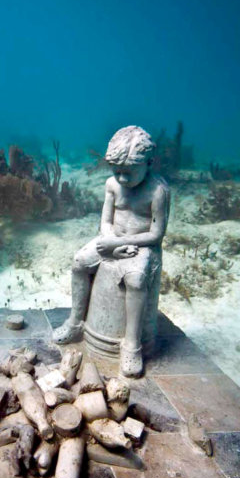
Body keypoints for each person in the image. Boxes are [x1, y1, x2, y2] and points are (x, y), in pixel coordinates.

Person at [53, 125, 169, 377]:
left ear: (149, 163)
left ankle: (131, 345)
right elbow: (105, 221)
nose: (123, 179)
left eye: (129, 173)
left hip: (142, 245)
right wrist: (109, 242)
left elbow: (156, 234)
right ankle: (75, 322)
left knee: (136, 280)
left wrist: (116, 246)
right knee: (79, 262)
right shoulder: (112, 185)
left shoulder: (158, 191)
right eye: (118, 172)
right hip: (112, 239)